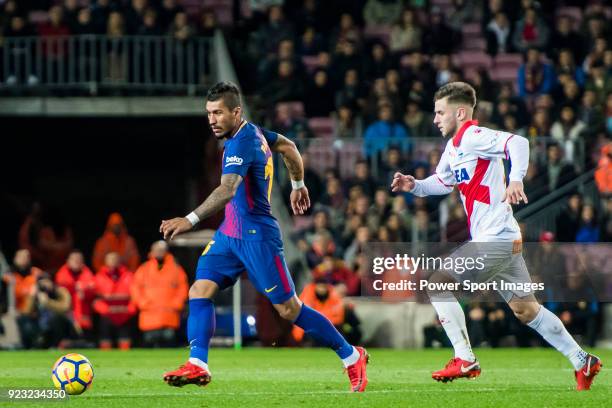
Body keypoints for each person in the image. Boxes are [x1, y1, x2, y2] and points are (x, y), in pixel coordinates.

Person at [391, 82, 601, 390]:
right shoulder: (453, 148)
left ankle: (464, 358)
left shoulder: (475, 136)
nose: (435, 119)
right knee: (526, 310)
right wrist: (416, 186)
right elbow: (443, 181)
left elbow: (518, 143)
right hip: (503, 239)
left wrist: (516, 180)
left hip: (495, 237)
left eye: (440, 112)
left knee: (437, 283)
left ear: (460, 112)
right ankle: (583, 361)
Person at [160, 82, 368, 391]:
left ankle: (351, 356)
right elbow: (288, 147)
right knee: (199, 290)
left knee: (289, 309)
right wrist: (297, 185)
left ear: (236, 112)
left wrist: (190, 219)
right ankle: (198, 364)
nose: (212, 120)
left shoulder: (241, 143)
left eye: (218, 113)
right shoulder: (254, 132)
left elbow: (228, 189)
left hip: (258, 237)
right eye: (208, 113)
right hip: (229, 235)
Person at [131, 241, 188, 347]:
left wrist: (177, 303)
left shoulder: (176, 269)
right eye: (157, 250)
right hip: (149, 314)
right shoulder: (144, 269)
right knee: (148, 344)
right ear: (152, 251)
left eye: (162, 250)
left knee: (168, 344)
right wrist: (142, 303)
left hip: (169, 314)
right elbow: (135, 288)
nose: (159, 252)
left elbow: (183, 288)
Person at [93, 252, 136, 350]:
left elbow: (135, 296)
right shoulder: (99, 277)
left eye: (115, 259)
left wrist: (129, 310)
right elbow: (96, 299)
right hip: (106, 316)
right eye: (110, 259)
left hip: (124, 315)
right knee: (105, 341)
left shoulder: (129, 276)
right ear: (105, 261)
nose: (113, 261)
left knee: (125, 342)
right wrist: (106, 310)